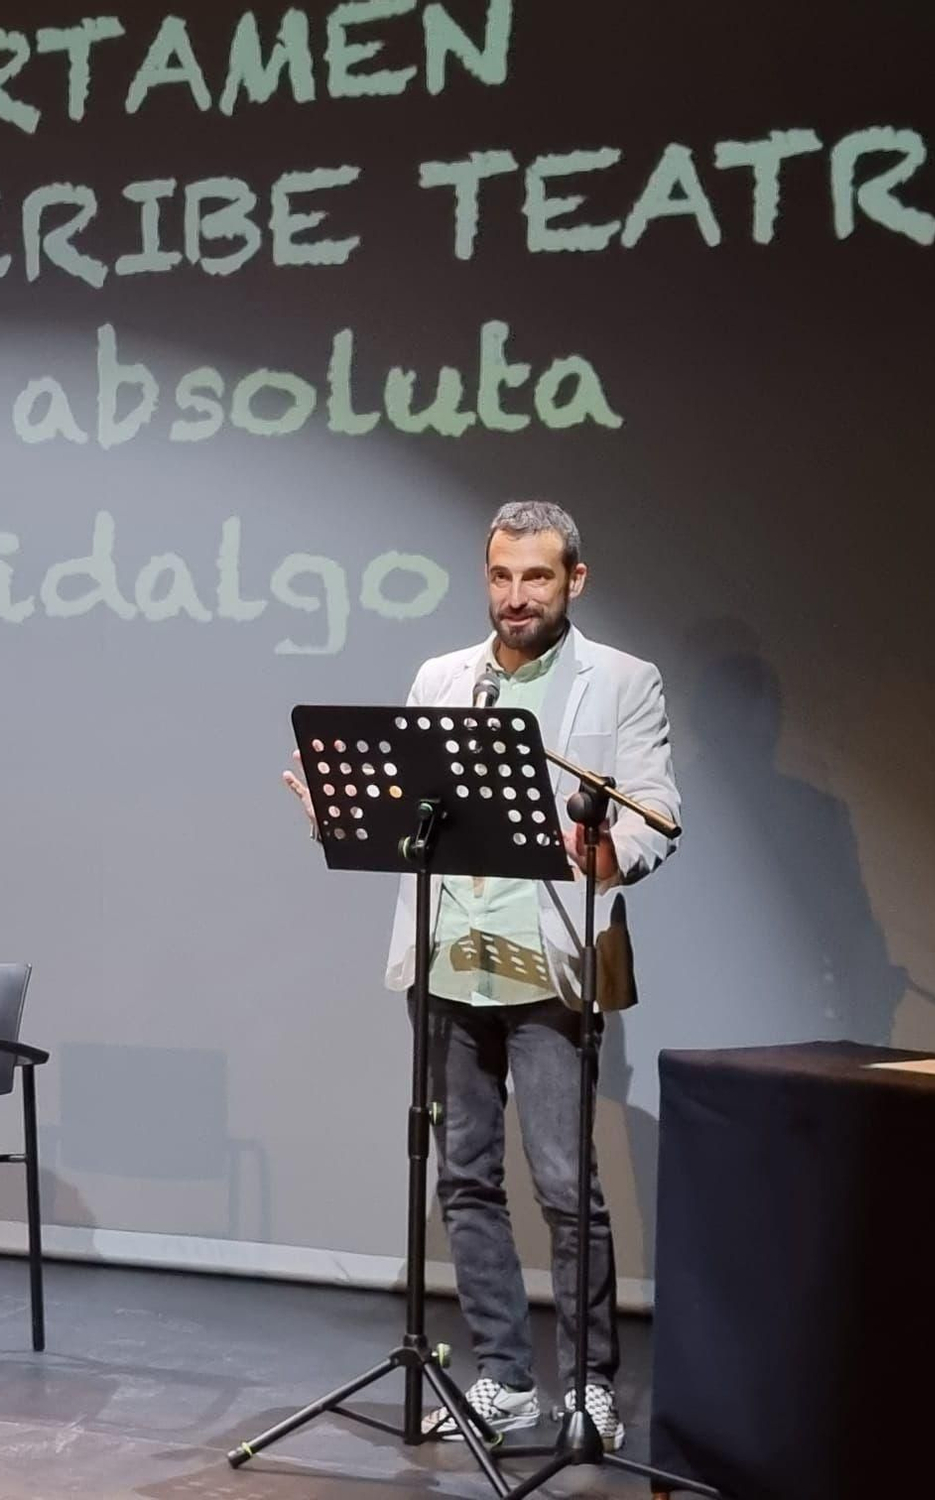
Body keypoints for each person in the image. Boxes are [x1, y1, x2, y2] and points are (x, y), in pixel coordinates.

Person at [283, 501, 680, 1450]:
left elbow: (656, 808)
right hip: (448, 961)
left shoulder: (621, 681)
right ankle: (502, 1376)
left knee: (561, 1186)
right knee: (464, 1178)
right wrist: (340, 815)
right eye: (501, 577)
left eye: (535, 577)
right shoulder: (443, 676)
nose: (515, 596)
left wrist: (610, 851)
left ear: (573, 580)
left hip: (551, 966)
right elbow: (410, 811)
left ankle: (586, 1386)